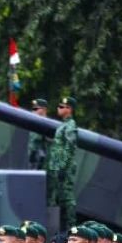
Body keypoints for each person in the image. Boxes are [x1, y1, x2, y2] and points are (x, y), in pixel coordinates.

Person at [47, 97, 78, 230]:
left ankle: (72, 228)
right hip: (58, 167)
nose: (58, 109)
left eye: (62, 106)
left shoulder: (70, 125)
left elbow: (70, 146)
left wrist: (62, 167)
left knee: (67, 199)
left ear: (69, 109)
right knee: (59, 199)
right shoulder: (63, 125)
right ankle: (63, 230)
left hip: (63, 169)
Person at [27, 98, 50, 170]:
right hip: (32, 158)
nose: (33, 110)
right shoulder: (35, 121)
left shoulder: (48, 123)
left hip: (41, 160)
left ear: (43, 109)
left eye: (36, 108)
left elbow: (50, 139)